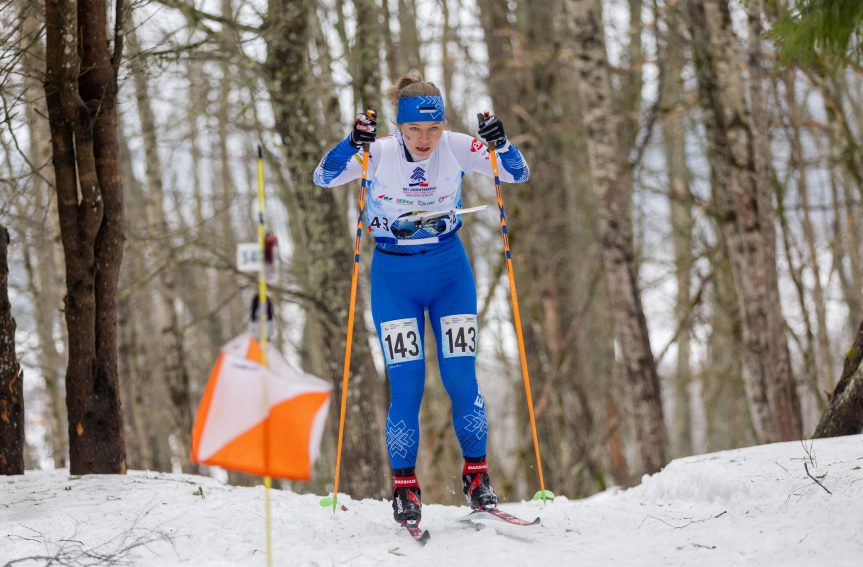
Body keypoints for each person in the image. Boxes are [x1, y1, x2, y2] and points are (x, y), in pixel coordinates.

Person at [312, 73, 530, 527]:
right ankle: (405, 488)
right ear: (400, 128)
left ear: (443, 125)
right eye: (414, 130)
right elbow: (323, 176)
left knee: (461, 378)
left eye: (432, 129)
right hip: (394, 278)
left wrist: (501, 143)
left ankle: (477, 478)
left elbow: (517, 173)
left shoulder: (456, 146)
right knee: (406, 386)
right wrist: (352, 142)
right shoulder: (380, 152)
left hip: (450, 274)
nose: (425, 139)